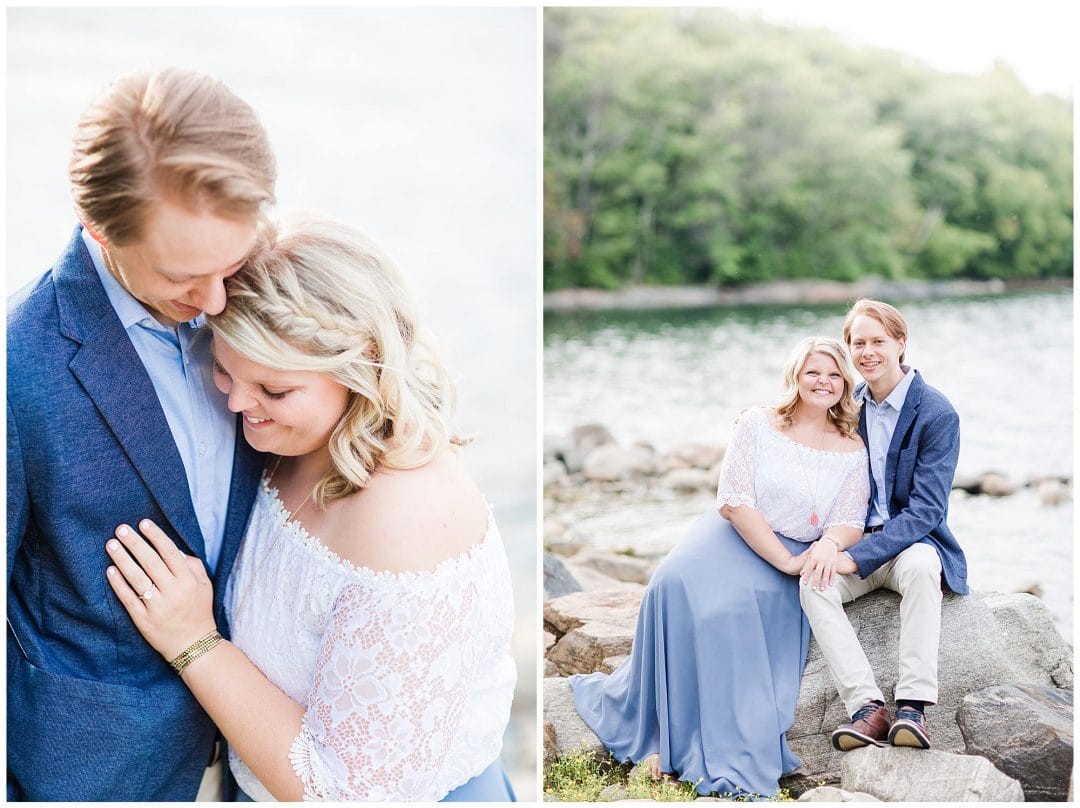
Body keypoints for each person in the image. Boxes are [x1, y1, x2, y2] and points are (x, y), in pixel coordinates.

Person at [103, 212, 518, 801]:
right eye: (224, 369)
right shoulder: (295, 438)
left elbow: (343, 790)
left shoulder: (404, 520)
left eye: (275, 389)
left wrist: (191, 639)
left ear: (362, 365)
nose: (241, 403)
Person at [7, 68, 276, 801]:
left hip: (267, 753)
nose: (216, 301)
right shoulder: (16, 367)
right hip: (98, 772)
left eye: (230, 265)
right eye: (184, 277)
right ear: (99, 228)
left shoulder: (266, 295)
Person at [570, 337, 870, 798]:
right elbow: (733, 501)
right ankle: (654, 719)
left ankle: (718, 741)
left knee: (726, 614)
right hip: (738, 534)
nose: (823, 382)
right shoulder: (757, 423)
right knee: (671, 582)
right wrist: (783, 558)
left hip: (799, 550)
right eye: (813, 372)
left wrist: (828, 544)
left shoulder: (852, 448)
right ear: (796, 376)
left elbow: (850, 519)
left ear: (845, 384)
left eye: (833, 375)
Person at [800, 299, 967, 751]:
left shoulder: (936, 413)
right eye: (858, 343)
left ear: (901, 343)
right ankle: (867, 709)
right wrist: (760, 424)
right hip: (855, 539)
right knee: (815, 585)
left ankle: (912, 708)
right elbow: (805, 441)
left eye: (878, 341)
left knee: (918, 568)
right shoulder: (848, 405)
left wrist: (856, 558)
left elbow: (926, 510)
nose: (867, 352)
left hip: (912, 543)